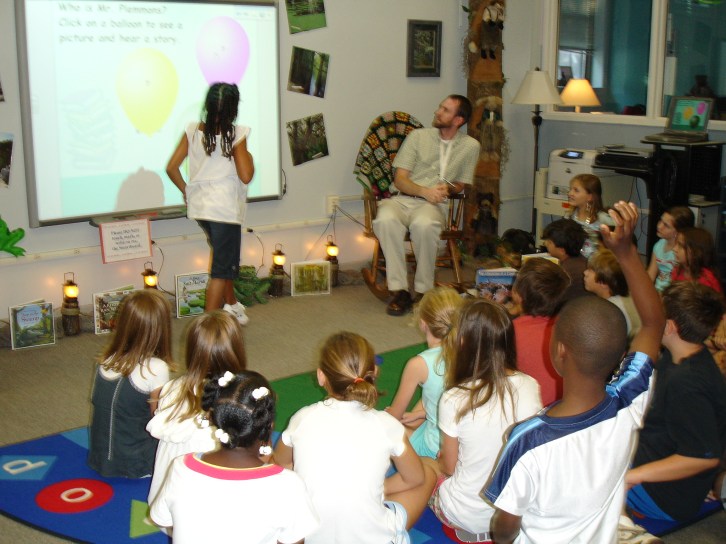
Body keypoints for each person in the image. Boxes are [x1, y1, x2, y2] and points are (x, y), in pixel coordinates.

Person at [484, 202, 665, 544]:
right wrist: (626, 253)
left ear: (560, 353)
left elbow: (504, 530)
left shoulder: (527, 438)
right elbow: (654, 323)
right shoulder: (629, 401)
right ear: (619, 356)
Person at [274, 331, 437, 544]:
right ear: (374, 372)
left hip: (309, 537)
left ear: (321, 376)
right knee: (429, 470)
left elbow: (280, 464)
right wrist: (379, 488)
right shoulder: (387, 425)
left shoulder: (302, 418)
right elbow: (415, 479)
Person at [150, 370, 319, 543]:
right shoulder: (287, 485)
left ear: (213, 418)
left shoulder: (181, 467)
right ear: (269, 427)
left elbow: (164, 520)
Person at [425, 299, 542, 541]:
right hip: (517, 513)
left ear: (462, 342)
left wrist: (441, 460)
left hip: (464, 514)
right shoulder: (530, 385)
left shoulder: (454, 398)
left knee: (426, 465)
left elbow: (448, 468)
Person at [623, 282, 726, 530]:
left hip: (664, 497)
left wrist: (632, 477)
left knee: (581, 474)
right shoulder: (678, 357)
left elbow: (703, 458)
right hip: (653, 457)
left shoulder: (687, 383)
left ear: (669, 326)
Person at [373, 95, 480, 316]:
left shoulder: (470, 146)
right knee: (385, 220)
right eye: (440, 107)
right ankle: (399, 290)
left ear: (458, 120)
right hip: (402, 198)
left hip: (432, 206)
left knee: (425, 225)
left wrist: (448, 189)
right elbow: (399, 179)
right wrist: (424, 191)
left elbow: (461, 183)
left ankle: (424, 291)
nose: (437, 112)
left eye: (445, 110)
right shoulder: (417, 137)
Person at [166, 82, 254, 324]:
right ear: (233, 109)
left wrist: (186, 191)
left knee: (223, 259)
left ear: (208, 105)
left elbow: (171, 167)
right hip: (224, 211)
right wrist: (249, 157)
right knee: (221, 271)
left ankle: (232, 304)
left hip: (201, 209)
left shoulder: (193, 130)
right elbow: (246, 175)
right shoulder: (236, 134)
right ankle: (206, 328)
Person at [146, 310, 248, 507]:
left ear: (192, 352)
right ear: (238, 350)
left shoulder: (172, 388)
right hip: (200, 510)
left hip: (163, 502)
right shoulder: (239, 400)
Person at [88, 290, 173, 478]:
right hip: (136, 463)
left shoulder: (105, 360)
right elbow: (159, 420)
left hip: (100, 458)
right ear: (162, 328)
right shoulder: (156, 368)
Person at [386, 287, 463, 458]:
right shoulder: (469, 350)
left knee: (385, 433)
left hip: (436, 447)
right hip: (464, 444)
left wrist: (372, 418)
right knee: (427, 399)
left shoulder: (419, 364)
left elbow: (394, 416)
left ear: (423, 323)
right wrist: (421, 414)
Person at [511, 257, 570, 405]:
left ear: (517, 294)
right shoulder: (568, 328)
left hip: (527, 410)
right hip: (562, 406)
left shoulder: (509, 332)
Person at [584, 248, 642, 341]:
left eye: (590, 270)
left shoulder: (609, 312)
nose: (585, 273)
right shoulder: (626, 298)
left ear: (603, 282)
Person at [541, 218, 591, 303]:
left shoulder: (564, 274)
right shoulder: (582, 261)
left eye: (549, 242)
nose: (545, 244)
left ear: (562, 250)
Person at [646, 206, 695, 293]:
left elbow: (683, 285)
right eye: (661, 221)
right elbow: (651, 274)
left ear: (678, 232)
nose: (659, 226)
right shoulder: (658, 245)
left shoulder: (682, 253)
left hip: (673, 294)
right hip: (658, 291)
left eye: (666, 225)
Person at [565, 173, 614, 258]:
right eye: (570, 189)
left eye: (576, 190)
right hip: (575, 259)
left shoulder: (603, 219)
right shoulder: (570, 215)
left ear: (590, 197)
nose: (570, 193)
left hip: (597, 261)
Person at [671, 227, 722, 292]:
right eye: (676, 244)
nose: (674, 249)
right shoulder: (677, 271)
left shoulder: (707, 280)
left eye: (681, 246)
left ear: (697, 251)